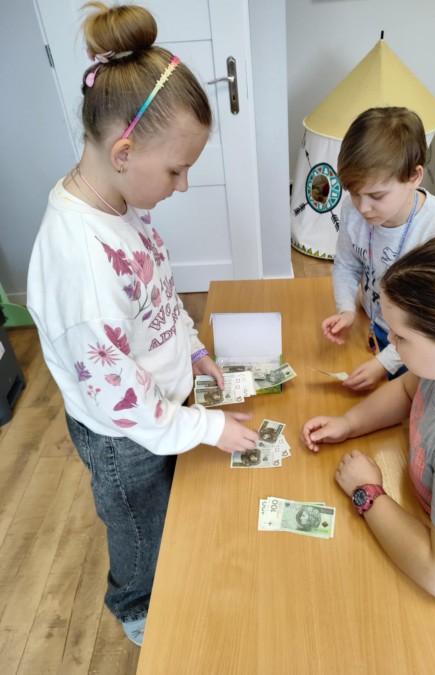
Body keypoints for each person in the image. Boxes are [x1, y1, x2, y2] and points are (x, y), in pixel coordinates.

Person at [27, 2, 258, 646]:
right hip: (121, 434)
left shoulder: (121, 201)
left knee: (174, 501)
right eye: (177, 170)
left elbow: (156, 289)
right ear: (124, 151)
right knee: (139, 526)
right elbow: (121, 401)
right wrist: (209, 427)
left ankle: (172, 572)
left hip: (159, 400)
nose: (182, 186)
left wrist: (193, 351)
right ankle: (136, 607)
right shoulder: (80, 266)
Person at [302, 234, 435, 658]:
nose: (390, 344)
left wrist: (368, 493)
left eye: (400, 337)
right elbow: (408, 389)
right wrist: (349, 422)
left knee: (374, 648)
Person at [322, 107, 435, 391]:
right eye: (354, 193)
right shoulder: (353, 209)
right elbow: (347, 265)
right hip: (370, 325)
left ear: (414, 176)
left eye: (376, 196)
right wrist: (346, 310)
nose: (363, 207)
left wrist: (386, 362)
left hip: (418, 346)